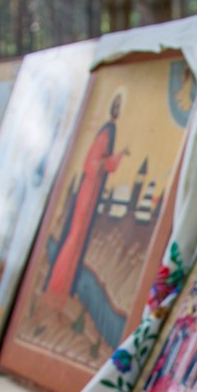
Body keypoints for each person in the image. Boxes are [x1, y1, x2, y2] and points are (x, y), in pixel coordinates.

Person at [43, 92, 129, 299]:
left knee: (79, 238)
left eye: (120, 106)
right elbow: (91, 163)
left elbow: (107, 164)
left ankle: (65, 286)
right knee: (75, 235)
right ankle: (57, 284)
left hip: (93, 192)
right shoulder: (105, 133)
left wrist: (118, 155)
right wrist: (111, 159)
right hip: (87, 190)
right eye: (116, 105)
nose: (117, 109)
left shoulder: (112, 130)